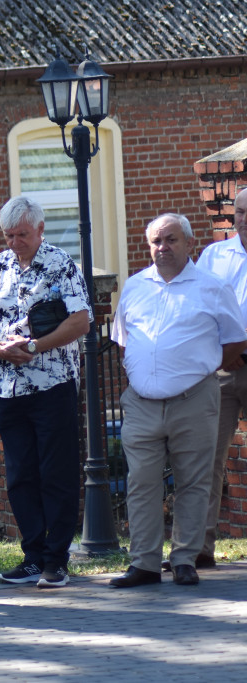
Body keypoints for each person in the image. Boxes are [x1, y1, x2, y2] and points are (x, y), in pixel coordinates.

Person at [110, 213, 247, 588]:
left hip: (193, 398)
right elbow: (123, 339)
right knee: (141, 482)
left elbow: (236, 338)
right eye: (155, 241)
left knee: (194, 481)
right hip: (141, 402)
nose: (162, 248)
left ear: (189, 244)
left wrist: (199, 367)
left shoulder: (212, 287)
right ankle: (145, 563)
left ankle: (185, 558)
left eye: (170, 240)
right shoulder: (135, 287)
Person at [0, 196, 91, 589]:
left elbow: (81, 321)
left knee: (55, 472)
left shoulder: (60, 265)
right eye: (8, 235)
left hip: (52, 382)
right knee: (19, 474)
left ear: (40, 230)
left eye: (22, 234)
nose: (14, 242)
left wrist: (36, 347)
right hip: (6, 385)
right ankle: (32, 556)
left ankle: (56, 559)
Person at [193, 187, 247, 571]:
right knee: (207, 457)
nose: (245, 219)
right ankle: (197, 548)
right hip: (226, 368)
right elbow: (196, 306)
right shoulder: (214, 256)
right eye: (240, 212)